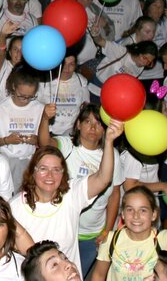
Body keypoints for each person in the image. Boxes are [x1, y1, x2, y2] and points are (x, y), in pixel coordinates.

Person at [10, 118, 124, 274]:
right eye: (43, 169)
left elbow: (103, 179)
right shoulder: (15, 207)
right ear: (32, 172)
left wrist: (109, 141)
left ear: (63, 173)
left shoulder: (72, 194)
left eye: (56, 169)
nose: (50, 175)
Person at [38, 103, 124, 276]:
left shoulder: (111, 154)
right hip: (63, 229)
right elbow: (44, 143)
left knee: (77, 275)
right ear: (78, 124)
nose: (93, 127)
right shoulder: (67, 145)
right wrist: (45, 118)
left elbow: (115, 195)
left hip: (92, 233)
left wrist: (107, 230)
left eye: (98, 123)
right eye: (87, 121)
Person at [92, 185, 167, 281]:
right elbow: (99, 275)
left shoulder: (163, 239)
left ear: (154, 214)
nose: (136, 216)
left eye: (143, 210)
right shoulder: (111, 239)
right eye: (130, 210)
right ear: (123, 214)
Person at [0, 69, 44, 188]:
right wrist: (7, 140)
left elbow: (46, 141)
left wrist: (36, 140)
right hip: (6, 159)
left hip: (30, 159)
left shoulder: (39, 108)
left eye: (30, 97)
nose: (26, 100)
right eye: (22, 96)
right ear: (14, 87)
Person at [36, 56, 89, 136]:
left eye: (71, 64)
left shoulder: (81, 81)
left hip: (71, 133)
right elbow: (34, 106)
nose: (66, 68)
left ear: (75, 66)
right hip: (49, 132)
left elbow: (86, 108)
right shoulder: (44, 81)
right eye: (63, 64)